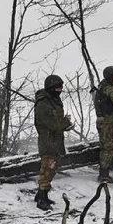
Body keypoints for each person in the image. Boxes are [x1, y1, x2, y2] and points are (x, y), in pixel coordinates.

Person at [34, 75, 73, 211]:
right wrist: (65, 122)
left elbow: (55, 123)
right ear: (50, 88)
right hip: (48, 141)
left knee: (51, 169)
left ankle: (41, 195)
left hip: (55, 140)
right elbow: (52, 123)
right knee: (47, 170)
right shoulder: (44, 103)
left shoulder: (53, 100)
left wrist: (64, 126)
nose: (60, 90)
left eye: (61, 87)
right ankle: (41, 199)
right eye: (57, 88)